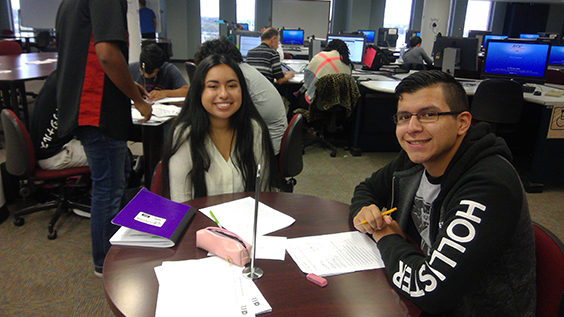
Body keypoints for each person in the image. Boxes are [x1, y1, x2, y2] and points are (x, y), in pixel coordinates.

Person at [350, 70, 536, 315]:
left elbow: (430, 291)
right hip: (419, 291)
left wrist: (387, 237)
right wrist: (364, 209)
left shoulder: (489, 185)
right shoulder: (415, 158)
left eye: (429, 114)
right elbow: (367, 189)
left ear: (462, 123)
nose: (412, 128)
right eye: (404, 117)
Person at [55, 0, 152, 277]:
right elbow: (107, 54)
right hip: (96, 108)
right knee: (108, 188)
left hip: (82, 103)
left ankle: (115, 249)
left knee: (114, 181)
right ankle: (105, 263)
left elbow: (84, 54)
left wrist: (127, 84)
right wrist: (137, 100)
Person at [161, 55, 278, 203]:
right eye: (213, 86)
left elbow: (263, 192)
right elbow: (181, 202)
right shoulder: (185, 135)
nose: (223, 94)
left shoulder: (254, 130)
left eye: (232, 86)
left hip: (245, 223)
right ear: (199, 91)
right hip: (200, 224)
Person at [194, 37, 288, 156]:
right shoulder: (244, 69)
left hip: (267, 146)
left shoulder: (238, 78)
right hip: (265, 134)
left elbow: (226, 119)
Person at [30, 70, 88, 171]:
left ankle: (86, 184)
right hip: (54, 155)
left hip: (42, 150)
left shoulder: (60, 74)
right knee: (114, 151)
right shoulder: (77, 82)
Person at [296, 39, 352, 108]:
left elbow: (307, 79)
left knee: (298, 98)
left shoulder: (320, 56)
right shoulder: (348, 64)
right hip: (339, 104)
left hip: (317, 103)